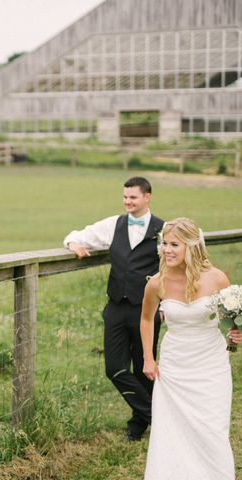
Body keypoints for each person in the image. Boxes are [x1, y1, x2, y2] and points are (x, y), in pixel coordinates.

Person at [63, 176, 164, 441]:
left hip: (147, 309)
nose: (128, 202)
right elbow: (77, 235)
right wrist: (73, 244)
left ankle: (138, 424)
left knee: (144, 367)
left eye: (133, 197)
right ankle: (157, 417)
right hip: (116, 308)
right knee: (115, 369)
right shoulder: (113, 225)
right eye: (125, 197)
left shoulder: (164, 230)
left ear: (147, 197)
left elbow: (176, 266)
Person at [141, 217, 241, 479]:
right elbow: (146, 318)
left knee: (212, 429)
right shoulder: (157, 283)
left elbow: (233, 316)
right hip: (174, 366)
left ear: (191, 246)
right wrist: (148, 358)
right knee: (171, 429)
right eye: (164, 244)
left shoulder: (217, 278)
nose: (167, 249)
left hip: (210, 365)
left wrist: (236, 333)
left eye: (175, 244)